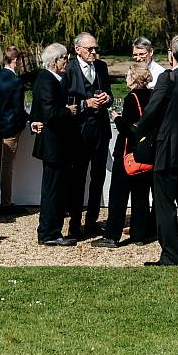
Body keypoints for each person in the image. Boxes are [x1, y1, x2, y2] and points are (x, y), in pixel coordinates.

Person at [135, 34, 178, 266]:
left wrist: (138, 130)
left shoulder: (168, 78)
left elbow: (152, 111)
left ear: (171, 54)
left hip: (167, 149)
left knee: (164, 205)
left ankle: (170, 255)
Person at [92, 63, 156, 248]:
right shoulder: (152, 96)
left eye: (128, 75)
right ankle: (139, 234)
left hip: (128, 154)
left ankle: (112, 235)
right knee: (141, 196)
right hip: (146, 154)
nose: (126, 78)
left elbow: (127, 128)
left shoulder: (131, 98)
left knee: (118, 196)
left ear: (134, 77)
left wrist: (116, 118)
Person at [30, 43, 80, 246]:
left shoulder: (56, 79)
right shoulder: (47, 80)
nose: (66, 62)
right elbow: (49, 113)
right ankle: (49, 232)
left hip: (59, 145)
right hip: (53, 145)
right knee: (53, 190)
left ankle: (53, 229)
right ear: (54, 61)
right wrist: (69, 111)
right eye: (64, 58)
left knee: (57, 189)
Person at [65, 31, 112, 238]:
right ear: (78, 49)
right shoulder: (69, 69)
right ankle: (74, 226)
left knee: (98, 177)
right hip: (79, 132)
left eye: (95, 48)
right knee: (77, 179)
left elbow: (110, 93)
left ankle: (91, 222)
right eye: (89, 48)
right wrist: (85, 103)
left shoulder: (101, 67)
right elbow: (63, 100)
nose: (94, 52)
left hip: (101, 130)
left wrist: (106, 98)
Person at [0, 45, 29, 215]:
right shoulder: (16, 82)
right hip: (10, 128)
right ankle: (6, 203)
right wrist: (23, 123)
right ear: (15, 60)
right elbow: (18, 109)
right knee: (7, 165)